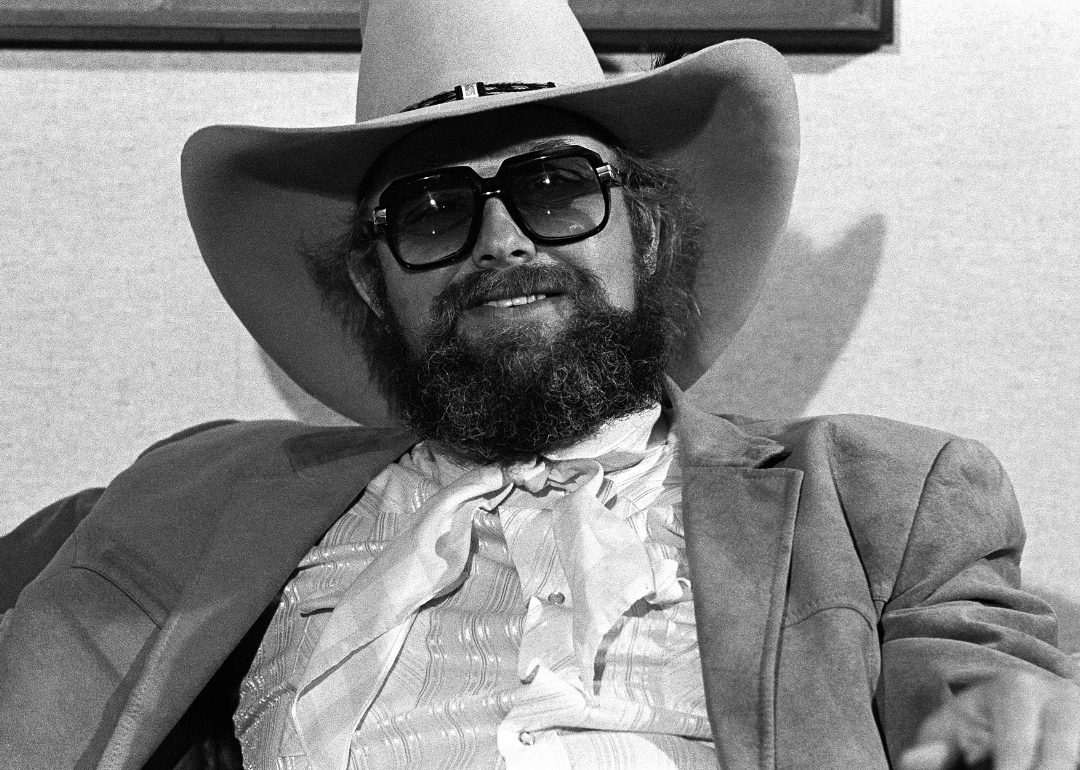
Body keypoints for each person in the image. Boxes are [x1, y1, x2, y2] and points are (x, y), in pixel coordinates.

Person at [1, 0, 1078, 768]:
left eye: (556, 186)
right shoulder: (200, 495)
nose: (503, 241)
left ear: (645, 231)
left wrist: (1002, 710)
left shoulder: (879, 490)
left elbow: (977, 665)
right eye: (432, 213)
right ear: (374, 288)